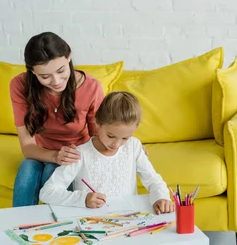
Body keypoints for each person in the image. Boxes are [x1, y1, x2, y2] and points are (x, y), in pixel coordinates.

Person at [39, 91, 174, 215]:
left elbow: (153, 180)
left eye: (125, 138)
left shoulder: (134, 146)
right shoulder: (81, 154)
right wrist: (83, 199)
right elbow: (47, 192)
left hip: (129, 220)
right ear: (97, 123)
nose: (117, 144)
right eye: (110, 135)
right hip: (92, 223)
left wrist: (161, 197)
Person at [11, 32, 104, 207]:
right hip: (40, 151)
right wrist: (54, 155)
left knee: (51, 175)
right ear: (32, 71)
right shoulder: (19, 85)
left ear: (68, 57)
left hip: (73, 154)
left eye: (61, 71)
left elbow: (98, 138)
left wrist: (127, 148)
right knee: (26, 174)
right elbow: (28, 147)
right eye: (45, 77)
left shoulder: (92, 87)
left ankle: (55, 230)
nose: (56, 81)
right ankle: (21, 230)